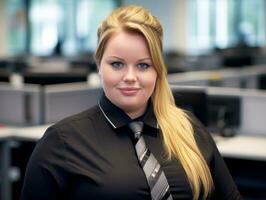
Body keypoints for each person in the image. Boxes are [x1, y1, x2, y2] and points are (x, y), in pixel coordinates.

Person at [21, 5, 242, 200]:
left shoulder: (189, 129)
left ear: (158, 70)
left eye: (143, 65)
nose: (130, 76)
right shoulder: (61, 142)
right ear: (99, 65)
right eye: (117, 64)